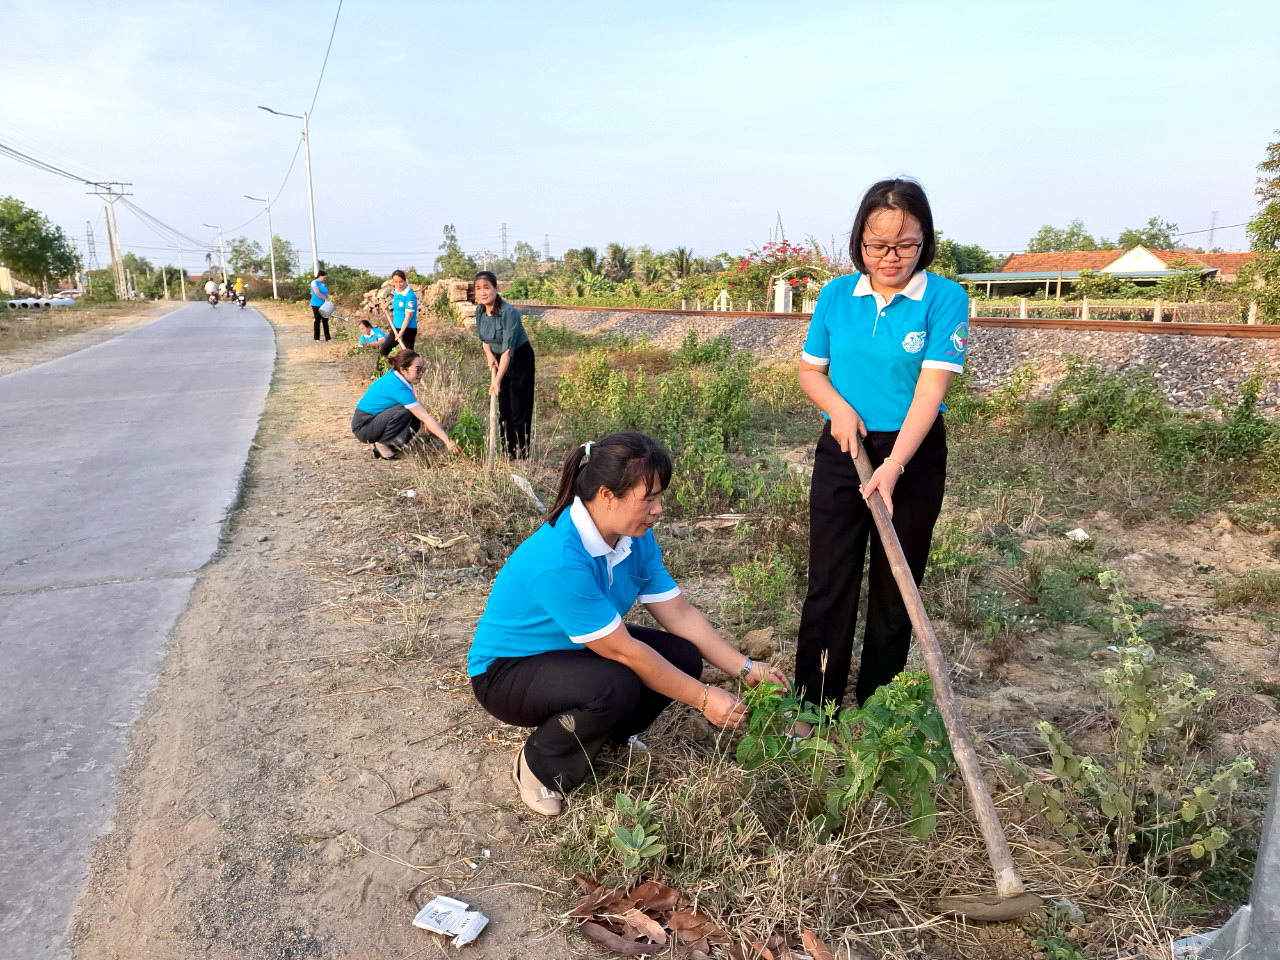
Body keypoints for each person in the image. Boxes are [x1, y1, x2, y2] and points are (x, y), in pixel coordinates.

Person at [467, 431, 789, 816]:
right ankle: (540, 765)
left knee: (682, 655)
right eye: (648, 498)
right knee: (615, 684)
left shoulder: (634, 539)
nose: (658, 509)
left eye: (660, 497)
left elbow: (681, 615)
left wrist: (746, 667)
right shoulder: (560, 557)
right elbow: (625, 651)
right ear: (607, 495)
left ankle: (608, 737)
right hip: (507, 671)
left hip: (574, 649)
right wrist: (704, 698)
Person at [792, 178, 968, 733]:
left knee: (897, 586)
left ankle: (876, 713)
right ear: (859, 242)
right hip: (844, 446)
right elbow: (810, 371)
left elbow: (929, 392)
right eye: (877, 245)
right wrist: (838, 410)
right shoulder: (836, 296)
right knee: (831, 579)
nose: (890, 258)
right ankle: (814, 706)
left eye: (905, 245)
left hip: (912, 455)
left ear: (925, 241)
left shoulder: (945, 299)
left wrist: (893, 466)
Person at [350, 349, 460, 460]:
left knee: (415, 417)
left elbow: (418, 410)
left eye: (423, 369)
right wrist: (448, 441)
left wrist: (423, 420)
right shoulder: (397, 386)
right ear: (403, 369)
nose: (421, 373)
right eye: (418, 369)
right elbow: (423, 415)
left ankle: (392, 444)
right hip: (364, 426)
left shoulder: (398, 377)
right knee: (407, 410)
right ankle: (382, 444)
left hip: (374, 421)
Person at [473, 270, 535, 459]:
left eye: (487, 288)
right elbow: (484, 338)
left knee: (518, 407)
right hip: (498, 357)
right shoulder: (480, 311)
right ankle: (509, 452)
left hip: (519, 359)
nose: (483, 292)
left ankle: (521, 456)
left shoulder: (509, 312)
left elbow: (508, 350)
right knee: (504, 408)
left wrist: (497, 380)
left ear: (496, 288)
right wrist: (489, 354)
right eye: (478, 289)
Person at [380, 269, 418, 358]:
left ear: (405, 280)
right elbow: (397, 299)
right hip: (395, 327)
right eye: (396, 282)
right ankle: (379, 372)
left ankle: (411, 371)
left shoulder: (410, 295)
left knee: (408, 356)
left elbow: (409, 316)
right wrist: (388, 302)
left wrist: (401, 332)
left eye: (401, 282)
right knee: (384, 350)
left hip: (408, 329)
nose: (398, 284)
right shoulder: (397, 291)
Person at [311, 269, 332, 341]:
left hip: (324, 304)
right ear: (320, 276)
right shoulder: (314, 282)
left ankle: (327, 337)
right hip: (316, 304)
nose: (325, 279)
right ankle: (316, 338)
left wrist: (328, 300)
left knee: (325, 320)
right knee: (317, 320)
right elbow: (317, 292)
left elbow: (326, 293)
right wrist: (324, 298)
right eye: (324, 277)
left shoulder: (324, 284)